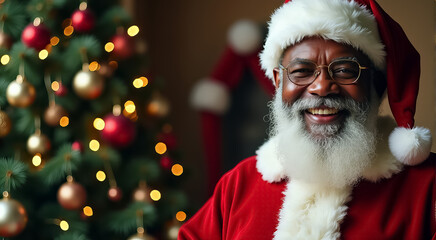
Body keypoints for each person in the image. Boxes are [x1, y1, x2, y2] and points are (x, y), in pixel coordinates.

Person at [178, 0, 435, 239]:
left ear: (374, 84)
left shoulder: (428, 187)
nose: (322, 87)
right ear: (279, 82)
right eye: (302, 71)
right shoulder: (237, 185)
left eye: (345, 70)